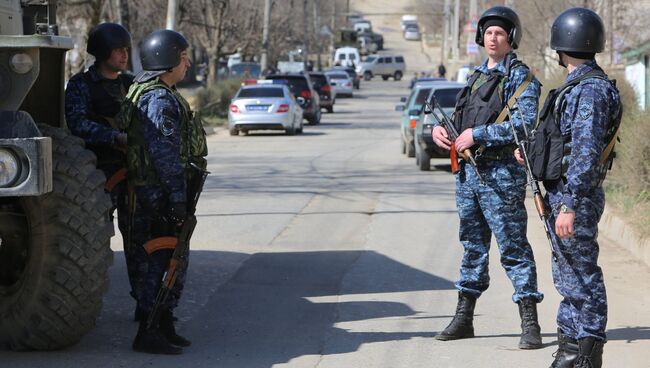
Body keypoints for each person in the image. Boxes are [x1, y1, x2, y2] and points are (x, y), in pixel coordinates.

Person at [431, 6, 544, 349]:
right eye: (488, 32)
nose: (493, 38)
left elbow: (521, 124)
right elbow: (459, 118)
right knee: (472, 248)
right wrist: (441, 132)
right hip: (468, 176)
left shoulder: (521, 77)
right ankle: (464, 318)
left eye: (499, 32)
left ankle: (530, 323)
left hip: (501, 177)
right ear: (481, 37)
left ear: (511, 37)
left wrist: (477, 135)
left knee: (513, 248)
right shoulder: (476, 77)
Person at [515, 8, 621, 368]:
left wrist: (570, 204)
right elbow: (565, 144)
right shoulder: (580, 85)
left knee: (583, 278)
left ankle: (587, 357)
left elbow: (586, 151)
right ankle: (570, 351)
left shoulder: (590, 90)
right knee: (568, 278)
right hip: (565, 194)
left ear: (562, 46)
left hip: (575, 197)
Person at [121, 29, 208, 354]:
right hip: (157, 193)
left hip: (158, 191)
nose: (187, 64)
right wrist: (176, 199)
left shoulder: (160, 92)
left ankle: (164, 321)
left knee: (172, 258)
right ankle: (149, 330)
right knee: (161, 261)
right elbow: (165, 156)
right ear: (167, 61)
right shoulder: (157, 99)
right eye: (183, 57)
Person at [64, 22, 137, 305]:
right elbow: (77, 124)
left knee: (138, 241)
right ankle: (86, 301)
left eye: (126, 50)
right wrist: (114, 137)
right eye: (118, 50)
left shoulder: (130, 84)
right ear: (103, 52)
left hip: (132, 173)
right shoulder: (81, 85)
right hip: (96, 176)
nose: (123, 55)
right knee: (93, 243)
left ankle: (145, 305)